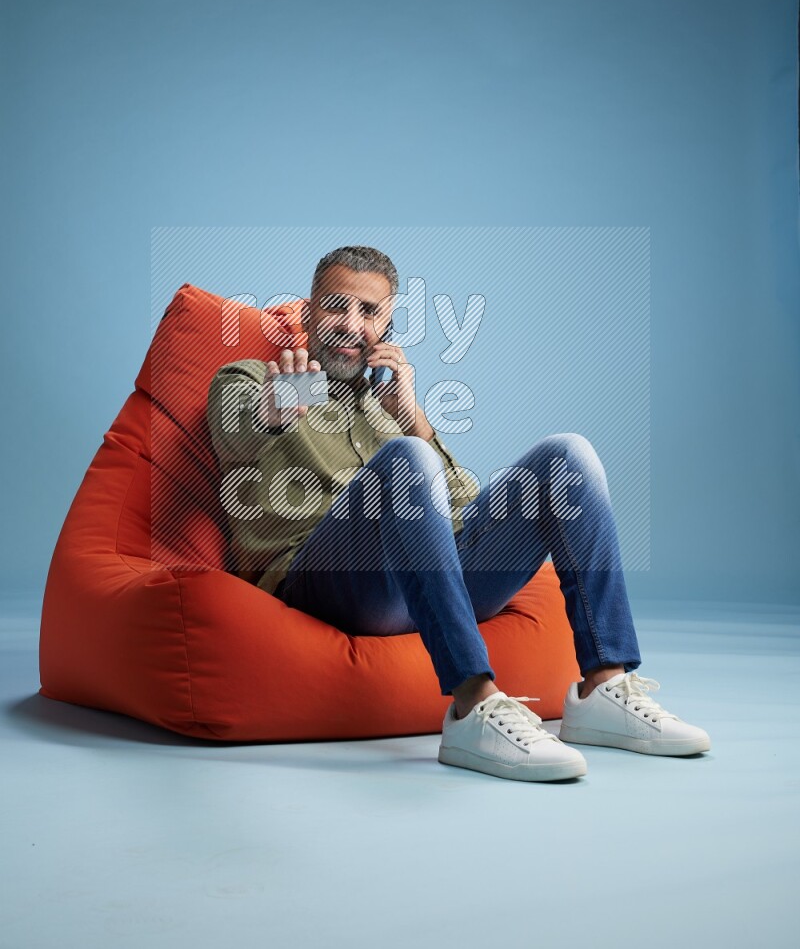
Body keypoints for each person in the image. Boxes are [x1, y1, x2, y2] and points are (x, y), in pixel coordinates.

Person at [207, 244, 710, 783]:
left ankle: (603, 687)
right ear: (308, 313)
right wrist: (276, 410)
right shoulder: (257, 379)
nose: (350, 325)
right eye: (335, 307)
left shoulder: (386, 404)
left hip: (428, 583)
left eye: (369, 312)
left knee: (568, 455)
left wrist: (414, 419)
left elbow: (463, 507)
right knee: (406, 459)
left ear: (388, 325)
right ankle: (473, 704)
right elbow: (233, 436)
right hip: (326, 585)